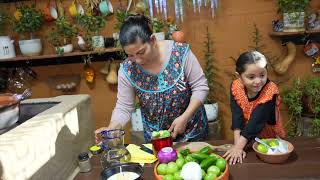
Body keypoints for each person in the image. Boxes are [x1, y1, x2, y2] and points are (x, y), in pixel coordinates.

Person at [95, 14, 209, 143]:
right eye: (130, 55)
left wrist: (185, 117)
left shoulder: (180, 53)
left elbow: (200, 87)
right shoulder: (127, 69)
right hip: (157, 140)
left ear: (153, 40)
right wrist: (112, 129)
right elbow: (124, 107)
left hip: (192, 132)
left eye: (141, 52)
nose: (137, 60)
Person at [223, 51, 285, 165]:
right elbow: (237, 115)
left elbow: (257, 120)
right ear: (239, 76)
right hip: (245, 137)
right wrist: (238, 146)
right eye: (251, 77)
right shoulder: (236, 86)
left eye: (262, 75)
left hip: (267, 136)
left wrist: (239, 147)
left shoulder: (270, 91)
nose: (258, 81)